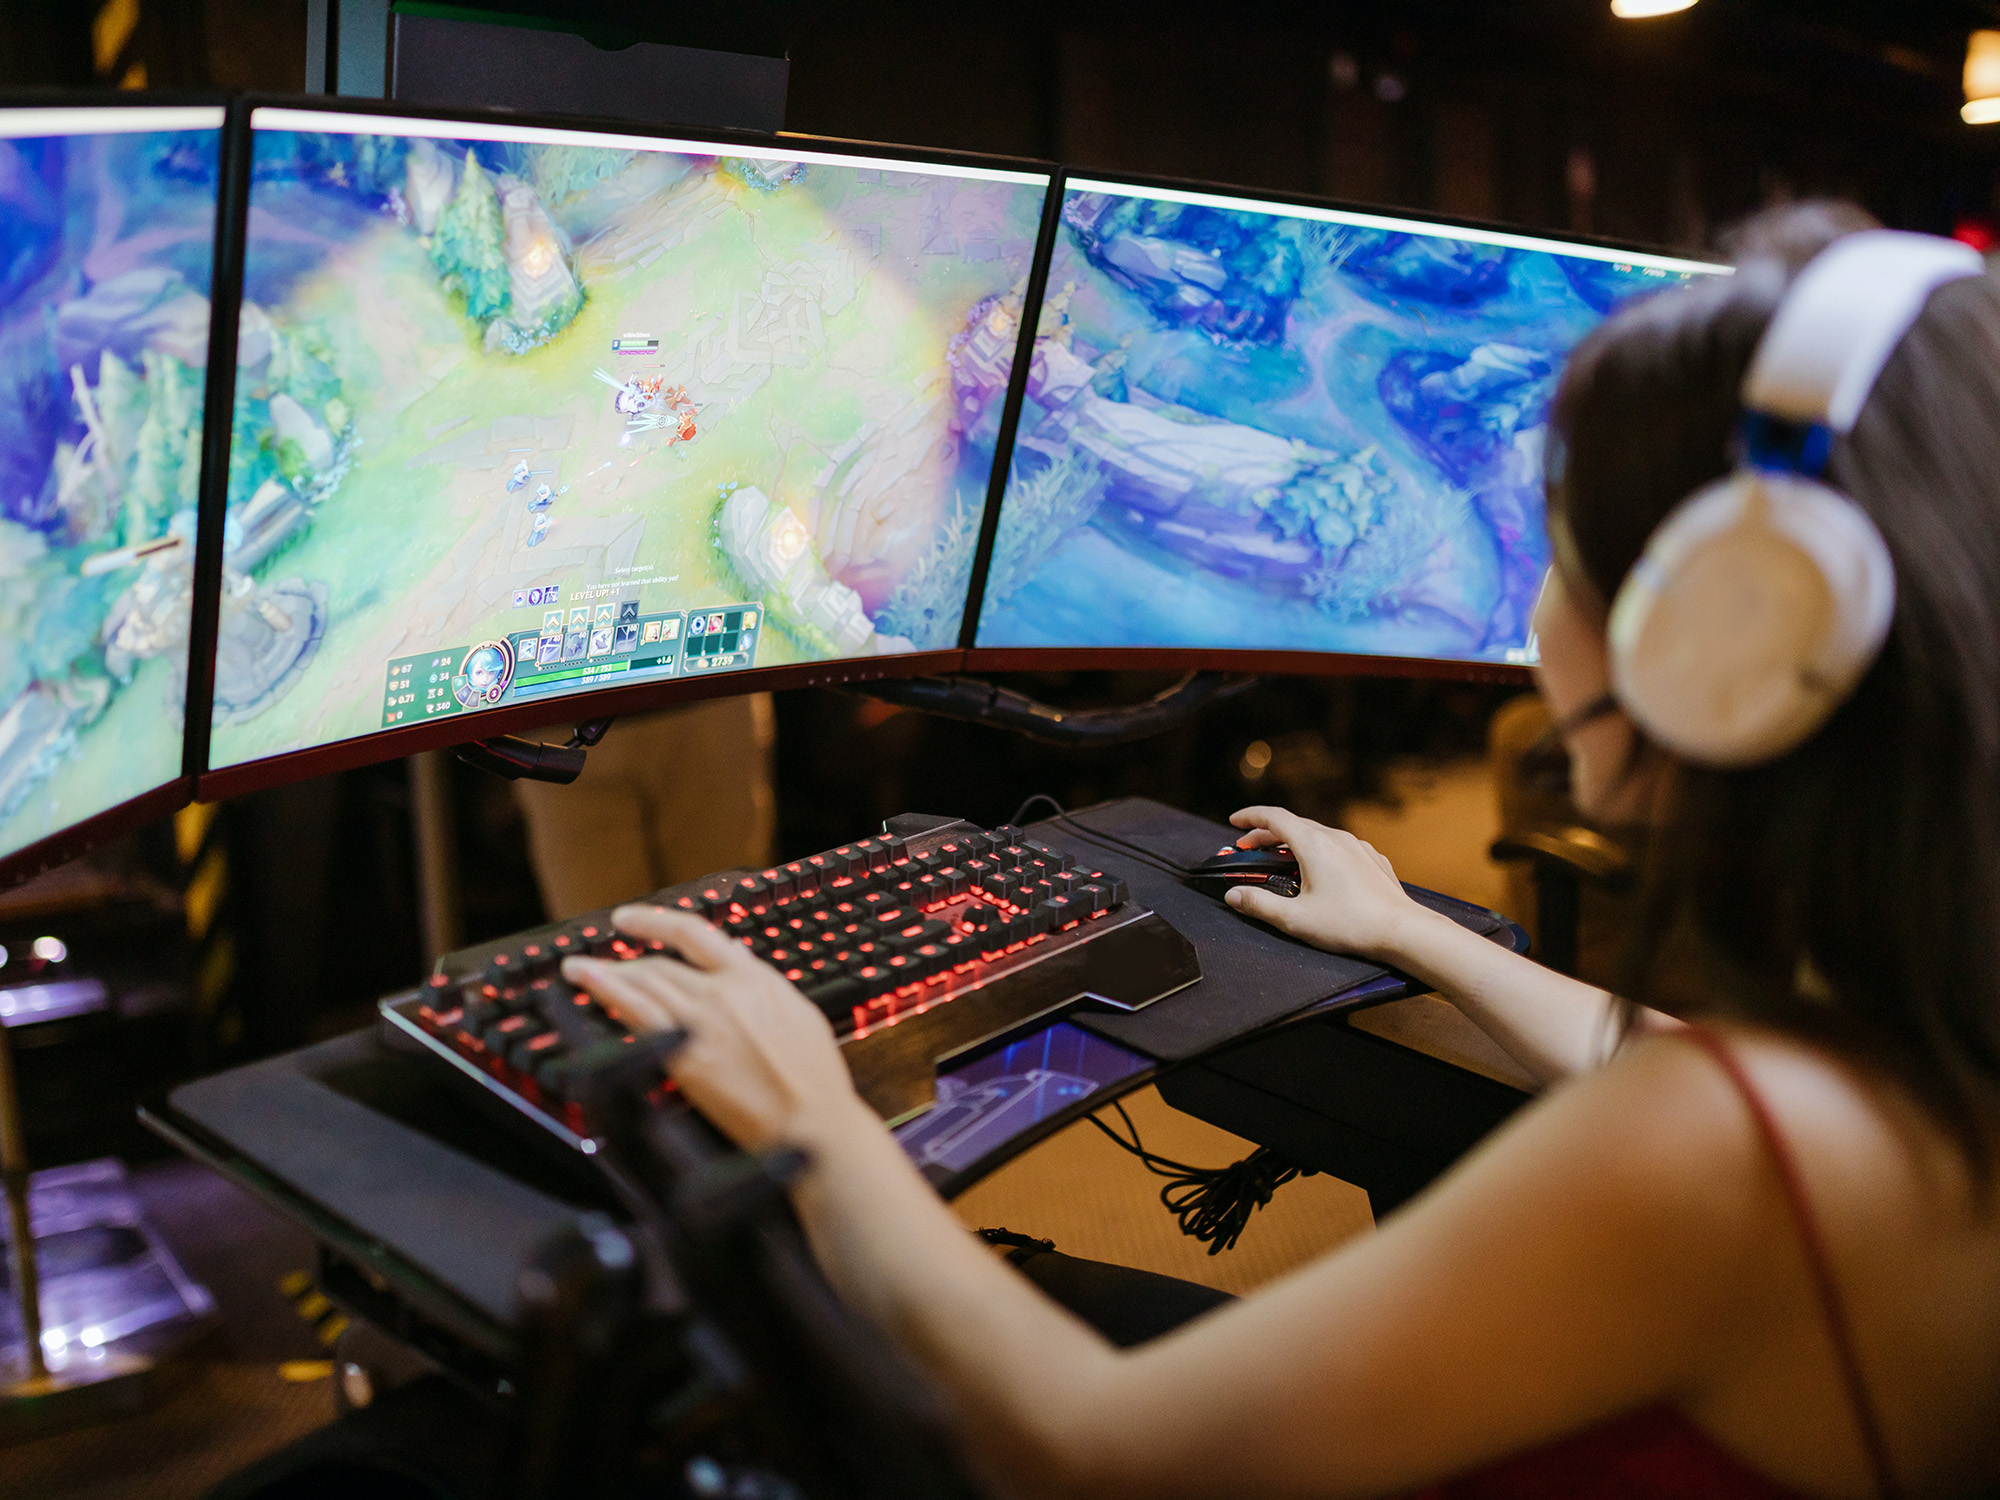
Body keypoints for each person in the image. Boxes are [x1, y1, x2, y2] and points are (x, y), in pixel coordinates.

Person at [563, 213, 2000, 1499]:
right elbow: (1675, 1067)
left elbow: (1091, 1447)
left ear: (1727, 650)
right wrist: (1412, 931)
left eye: (1560, 544)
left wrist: (813, 1125)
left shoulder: (1720, 1155)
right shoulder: (1910, 1053)